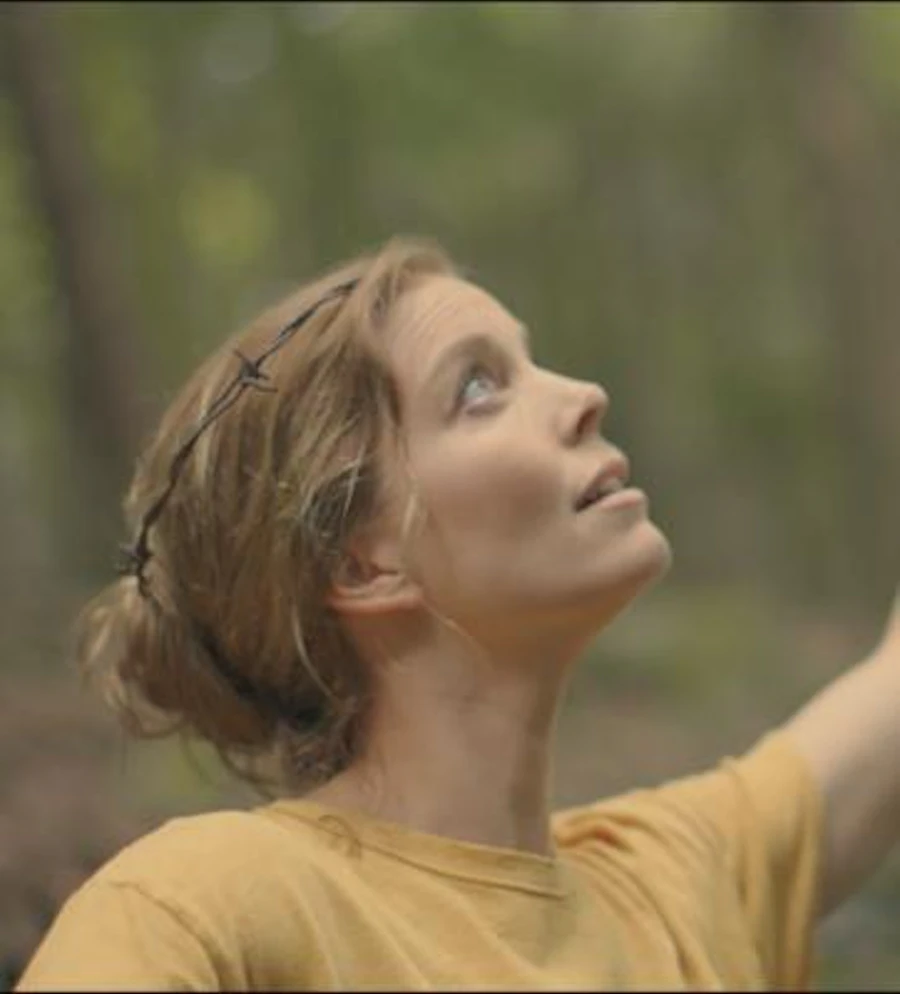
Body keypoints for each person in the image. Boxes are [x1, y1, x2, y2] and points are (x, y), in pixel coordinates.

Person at [16, 237, 900, 991]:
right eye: (478, 388)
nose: (584, 394)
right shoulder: (205, 910)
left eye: (530, 361)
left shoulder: (668, 883)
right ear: (363, 565)